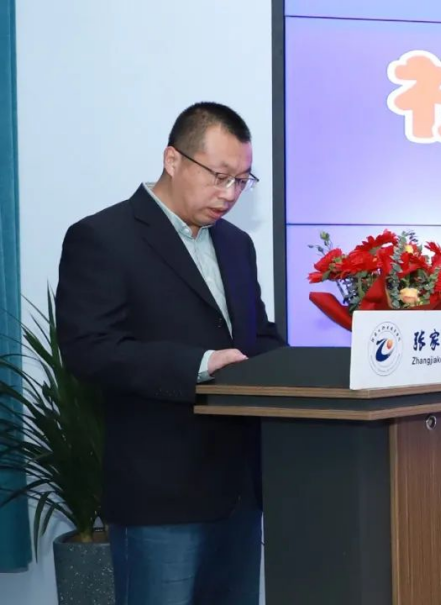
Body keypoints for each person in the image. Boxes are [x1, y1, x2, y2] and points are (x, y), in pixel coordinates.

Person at [56, 102, 285, 605]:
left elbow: (257, 337)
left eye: (242, 181)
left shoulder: (237, 245)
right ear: (173, 159)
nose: (230, 194)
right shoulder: (103, 237)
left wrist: (306, 369)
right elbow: (88, 349)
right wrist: (199, 364)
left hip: (240, 495)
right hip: (160, 498)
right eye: (219, 177)